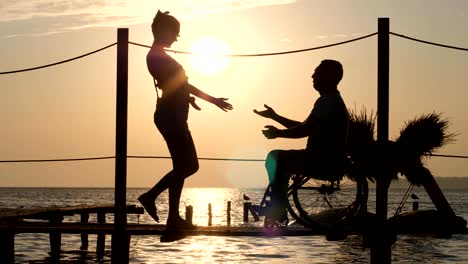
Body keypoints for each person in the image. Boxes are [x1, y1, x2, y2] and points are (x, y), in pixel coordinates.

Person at [138, 10, 233, 230]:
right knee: (190, 166)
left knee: (181, 166)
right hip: (170, 117)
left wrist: (187, 99)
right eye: (175, 33)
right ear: (163, 31)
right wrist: (213, 100)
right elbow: (179, 84)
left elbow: (173, 87)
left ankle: (173, 217)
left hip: (174, 115)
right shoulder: (156, 56)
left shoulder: (159, 56)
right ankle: (150, 196)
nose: (177, 38)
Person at [254, 59, 349, 223]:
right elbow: (305, 126)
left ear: (328, 77)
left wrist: (278, 134)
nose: (312, 76)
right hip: (325, 159)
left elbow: (304, 130)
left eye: (317, 73)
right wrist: (275, 117)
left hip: (320, 160)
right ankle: (279, 206)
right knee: (280, 160)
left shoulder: (327, 102)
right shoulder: (331, 100)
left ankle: (278, 208)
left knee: (274, 157)